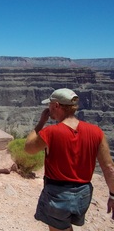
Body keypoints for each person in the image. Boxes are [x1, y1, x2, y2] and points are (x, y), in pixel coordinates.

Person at [24, 88, 114, 231]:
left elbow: (29, 148)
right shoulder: (97, 132)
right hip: (83, 195)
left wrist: (41, 123)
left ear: (56, 106)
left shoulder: (50, 132)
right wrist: (113, 195)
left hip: (57, 194)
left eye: (50, 105)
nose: (48, 108)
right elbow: (109, 167)